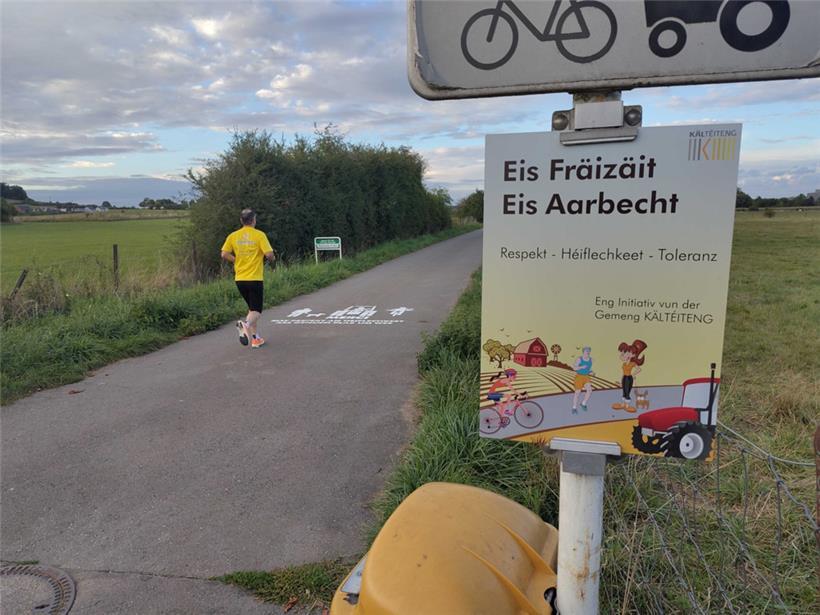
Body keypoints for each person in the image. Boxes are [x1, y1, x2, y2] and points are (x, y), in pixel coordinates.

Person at [221, 209, 275, 349]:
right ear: (254, 220)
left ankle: (256, 338)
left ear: (241, 221)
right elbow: (269, 254)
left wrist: (236, 260)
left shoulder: (233, 236)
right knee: (257, 310)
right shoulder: (259, 235)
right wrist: (271, 258)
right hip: (255, 278)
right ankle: (245, 324)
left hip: (240, 278)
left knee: (251, 309)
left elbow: (224, 254)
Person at [612, 340, 647, 412]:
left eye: (630, 353)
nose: (627, 354)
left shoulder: (632, 363)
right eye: (627, 352)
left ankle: (627, 405)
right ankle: (623, 404)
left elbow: (639, 369)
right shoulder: (625, 363)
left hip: (629, 378)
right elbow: (621, 357)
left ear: (633, 355)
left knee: (627, 392)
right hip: (624, 377)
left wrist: (633, 374)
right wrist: (620, 382)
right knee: (624, 391)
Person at [572, 346, 594, 414]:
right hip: (579, 377)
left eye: (588, 352)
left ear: (589, 352)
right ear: (583, 352)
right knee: (577, 393)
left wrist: (591, 372)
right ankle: (574, 407)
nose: (586, 353)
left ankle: (583, 403)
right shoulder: (579, 359)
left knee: (589, 390)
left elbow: (587, 369)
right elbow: (574, 368)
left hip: (586, 377)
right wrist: (581, 367)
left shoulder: (591, 360)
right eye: (585, 352)